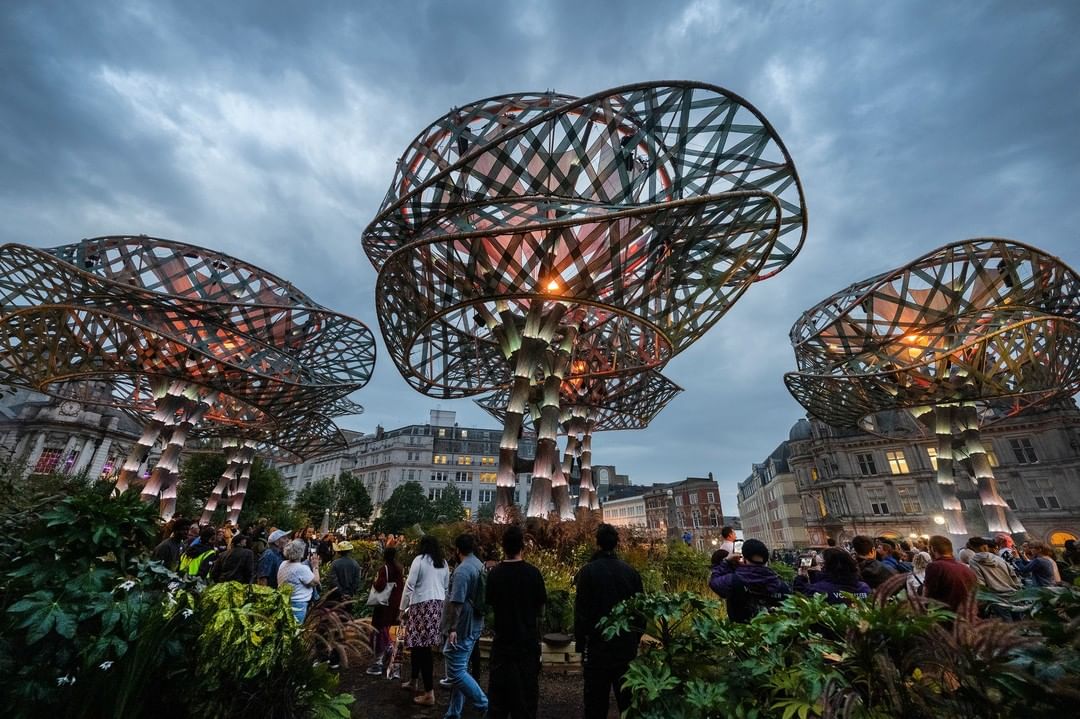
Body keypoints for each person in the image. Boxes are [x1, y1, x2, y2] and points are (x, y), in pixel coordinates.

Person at [574, 523, 643, 719]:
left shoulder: (587, 572)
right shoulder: (631, 572)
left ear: (597, 543)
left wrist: (581, 645)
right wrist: (634, 639)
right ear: (617, 543)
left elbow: (581, 612)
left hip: (598, 649)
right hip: (625, 648)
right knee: (627, 703)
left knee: (595, 704)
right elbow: (641, 611)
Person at [486, 524, 546, 719]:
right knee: (526, 702)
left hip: (502, 646)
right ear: (522, 547)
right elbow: (541, 611)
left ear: (503, 547)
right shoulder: (533, 574)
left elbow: (491, 607)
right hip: (526, 647)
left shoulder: (495, 574)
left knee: (498, 703)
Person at [441, 533, 489, 719]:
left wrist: (453, 628)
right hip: (475, 622)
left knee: (456, 671)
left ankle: (484, 705)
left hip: (463, 625)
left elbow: (457, 603)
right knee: (461, 668)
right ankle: (454, 713)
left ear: (457, 549)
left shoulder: (463, 570)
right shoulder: (478, 564)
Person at [399, 535, 450, 706]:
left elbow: (409, 585)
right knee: (419, 645)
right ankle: (414, 680)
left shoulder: (419, 560)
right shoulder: (443, 562)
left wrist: (402, 608)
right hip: (437, 606)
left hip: (421, 605)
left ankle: (429, 693)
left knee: (422, 649)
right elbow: (446, 587)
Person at [709, 538, 790, 622]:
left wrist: (726, 562)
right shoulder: (781, 586)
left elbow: (714, 581)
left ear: (743, 559)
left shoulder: (733, 580)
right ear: (766, 561)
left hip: (740, 633)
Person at [367, 546, 406, 676]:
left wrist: (373, 583)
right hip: (397, 604)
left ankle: (378, 663)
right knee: (395, 632)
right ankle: (395, 666)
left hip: (384, 605)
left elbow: (380, 585)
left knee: (380, 632)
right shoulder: (400, 569)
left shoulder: (384, 569)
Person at [966, 536, 1022, 619]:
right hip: (1013, 594)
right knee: (1019, 623)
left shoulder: (973, 562)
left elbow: (980, 583)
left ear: (972, 548)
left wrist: (982, 601)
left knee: (1008, 625)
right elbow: (1013, 575)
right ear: (985, 546)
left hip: (997, 598)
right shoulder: (999, 558)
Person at [793, 547, 871, 605]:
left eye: (822, 564)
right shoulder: (864, 588)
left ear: (828, 567)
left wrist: (801, 577)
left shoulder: (819, 591)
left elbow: (800, 597)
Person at [924, 535, 977, 613]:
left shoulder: (935, 566)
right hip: (968, 615)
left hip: (947, 617)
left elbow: (926, 595)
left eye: (929, 549)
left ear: (932, 549)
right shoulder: (966, 569)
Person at [277, 539, 321, 623]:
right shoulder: (301, 568)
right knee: (296, 629)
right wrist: (315, 566)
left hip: (284, 601)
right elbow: (315, 582)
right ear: (300, 552)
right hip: (297, 605)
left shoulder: (283, 563)